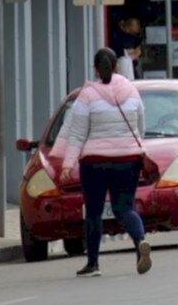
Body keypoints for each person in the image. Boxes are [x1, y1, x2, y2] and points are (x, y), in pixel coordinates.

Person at [58, 48, 151, 278]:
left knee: (93, 212)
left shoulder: (87, 95)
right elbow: (141, 125)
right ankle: (140, 240)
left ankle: (93, 264)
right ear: (117, 67)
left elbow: (77, 134)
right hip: (128, 160)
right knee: (124, 208)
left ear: (95, 69)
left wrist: (68, 165)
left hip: (95, 163)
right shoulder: (131, 90)